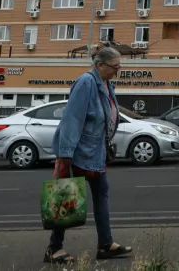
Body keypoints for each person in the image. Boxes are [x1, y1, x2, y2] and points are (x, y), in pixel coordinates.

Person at [43, 46, 132, 264]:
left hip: (96, 153)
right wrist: (65, 154)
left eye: (119, 66)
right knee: (66, 198)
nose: (117, 71)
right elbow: (72, 119)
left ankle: (106, 244)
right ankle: (54, 249)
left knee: (101, 194)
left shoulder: (106, 84)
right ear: (99, 64)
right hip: (79, 153)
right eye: (114, 67)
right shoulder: (86, 83)